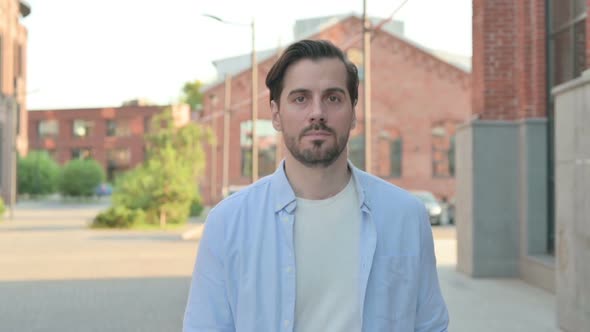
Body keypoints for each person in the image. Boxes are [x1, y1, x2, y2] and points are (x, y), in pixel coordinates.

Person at [183, 39, 449, 331]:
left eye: (333, 98)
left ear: (353, 112)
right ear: (275, 114)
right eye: (300, 99)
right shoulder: (229, 222)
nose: (317, 112)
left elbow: (430, 325)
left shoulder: (405, 216)